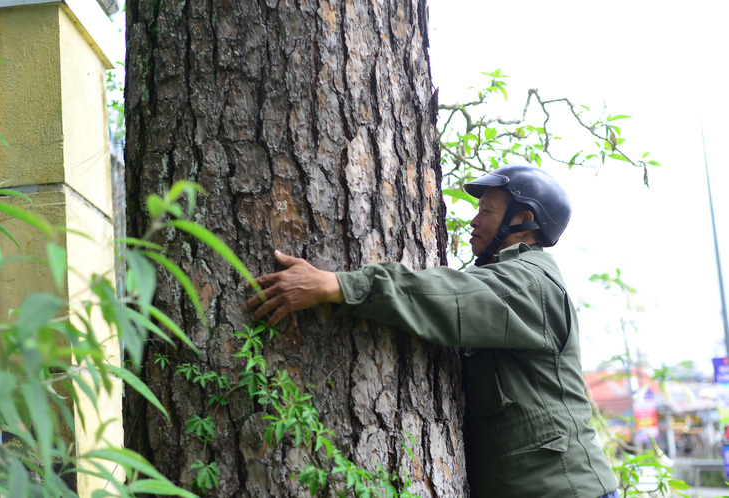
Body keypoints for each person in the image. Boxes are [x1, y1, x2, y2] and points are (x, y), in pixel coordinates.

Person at [246, 165, 619, 498]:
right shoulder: (514, 278)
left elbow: (449, 296)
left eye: (486, 210)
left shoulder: (528, 281)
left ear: (524, 219)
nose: (474, 221)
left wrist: (338, 285)